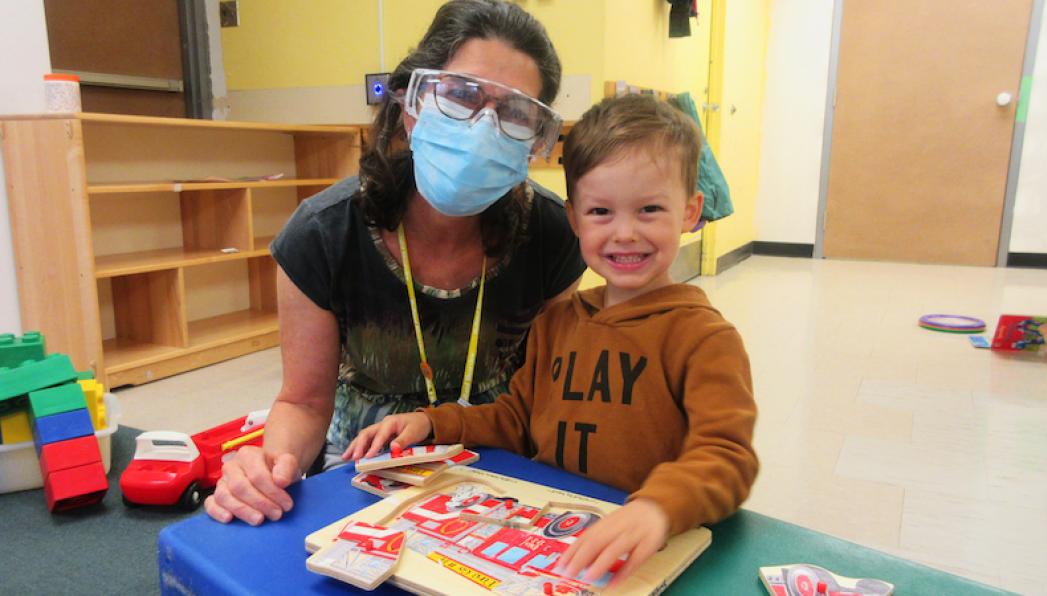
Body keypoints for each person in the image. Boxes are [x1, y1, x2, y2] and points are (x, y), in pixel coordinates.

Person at [347, 94, 759, 585]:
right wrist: (432, 422)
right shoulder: (558, 321)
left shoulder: (705, 337)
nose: (625, 233)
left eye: (650, 209)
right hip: (553, 542)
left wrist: (657, 509)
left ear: (691, 212)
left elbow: (728, 456)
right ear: (573, 219)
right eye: (601, 212)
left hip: (644, 554)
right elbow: (518, 419)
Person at [205, 0, 585, 526]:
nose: (483, 128)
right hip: (366, 466)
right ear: (412, 103)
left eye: (515, 113)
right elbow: (304, 403)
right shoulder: (323, 234)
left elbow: (551, 391)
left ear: (535, 138)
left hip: (502, 455)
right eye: (460, 95)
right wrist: (268, 469)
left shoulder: (551, 233)